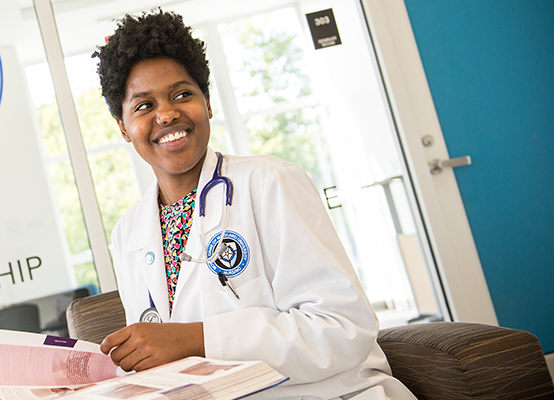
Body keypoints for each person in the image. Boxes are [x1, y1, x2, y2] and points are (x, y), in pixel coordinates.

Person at [93, 9, 416, 399]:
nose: (166, 113)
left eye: (182, 94)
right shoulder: (128, 232)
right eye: (143, 106)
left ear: (208, 103)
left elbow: (342, 327)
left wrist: (196, 339)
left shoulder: (269, 182)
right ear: (123, 127)